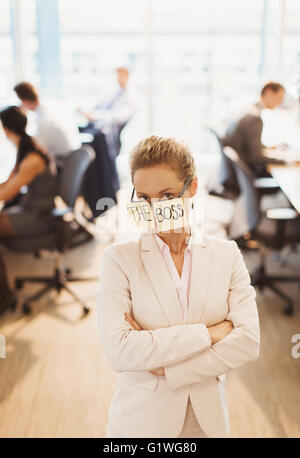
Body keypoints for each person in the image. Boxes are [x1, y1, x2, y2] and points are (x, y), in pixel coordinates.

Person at [96, 135, 260, 438]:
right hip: (141, 424)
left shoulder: (226, 255)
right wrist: (209, 334)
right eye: (144, 198)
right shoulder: (119, 260)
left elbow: (248, 342)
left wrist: (168, 369)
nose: (156, 208)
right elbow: (120, 352)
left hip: (207, 422)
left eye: (168, 194)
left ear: (192, 188)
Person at [0, 106, 57, 314]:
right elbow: (8, 183)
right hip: (30, 207)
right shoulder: (26, 146)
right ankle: (4, 293)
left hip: (40, 215)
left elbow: (8, 193)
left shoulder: (31, 158)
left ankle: (5, 296)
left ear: (6, 129)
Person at [221, 81, 287, 177]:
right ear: (268, 92)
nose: (280, 103)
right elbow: (255, 157)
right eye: (279, 98)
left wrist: (266, 147)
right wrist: (286, 161)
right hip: (249, 171)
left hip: (238, 172)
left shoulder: (249, 110)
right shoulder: (255, 118)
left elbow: (248, 143)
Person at [13, 81, 81, 165]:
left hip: (63, 161)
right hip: (75, 155)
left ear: (24, 101)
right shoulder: (53, 105)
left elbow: (39, 150)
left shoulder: (44, 121)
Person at [78, 67, 139, 133]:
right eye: (117, 75)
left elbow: (118, 116)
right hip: (96, 125)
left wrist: (95, 115)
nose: (118, 78)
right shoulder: (116, 91)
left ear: (127, 76)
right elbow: (101, 104)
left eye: (120, 76)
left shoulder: (131, 96)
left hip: (107, 132)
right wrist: (88, 111)